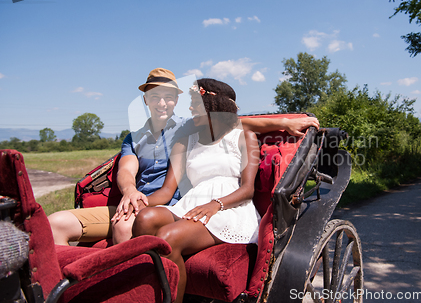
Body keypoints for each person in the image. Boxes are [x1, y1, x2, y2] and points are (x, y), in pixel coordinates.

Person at [48, 68, 319, 246]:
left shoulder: (188, 127)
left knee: (128, 228)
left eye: (168, 97)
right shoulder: (134, 138)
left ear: (176, 101)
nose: (161, 103)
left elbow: (233, 121)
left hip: (189, 203)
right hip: (144, 201)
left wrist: (284, 120)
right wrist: (130, 193)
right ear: (145, 100)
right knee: (55, 223)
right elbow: (125, 171)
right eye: (154, 97)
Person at [131, 78, 261, 303]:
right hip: (192, 204)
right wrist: (138, 200)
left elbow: (248, 189)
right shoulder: (185, 142)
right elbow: (166, 191)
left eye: (195, 102)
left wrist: (215, 204)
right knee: (145, 218)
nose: (190, 108)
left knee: (167, 237)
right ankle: (147, 293)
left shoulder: (243, 136)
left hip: (229, 208)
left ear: (215, 105)